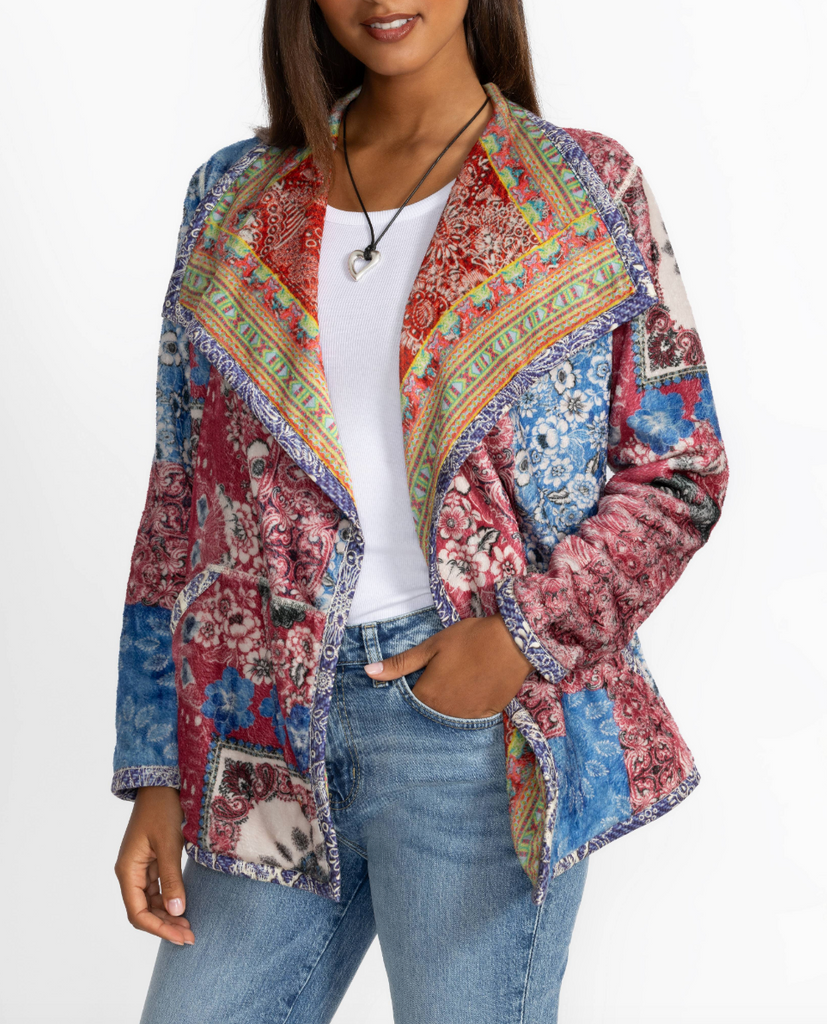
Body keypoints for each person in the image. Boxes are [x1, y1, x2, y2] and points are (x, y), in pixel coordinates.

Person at [112, 1, 729, 1021]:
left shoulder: (582, 187)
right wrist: (156, 768)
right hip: (260, 733)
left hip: (473, 739)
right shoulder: (232, 196)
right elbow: (179, 495)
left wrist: (519, 639)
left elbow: (681, 470)